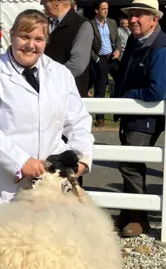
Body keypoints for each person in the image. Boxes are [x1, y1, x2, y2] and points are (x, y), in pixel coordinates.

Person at [0, 9, 94, 219]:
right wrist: (21, 161)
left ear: (46, 41)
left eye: (38, 39)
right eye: (24, 37)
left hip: (49, 184)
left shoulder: (60, 75)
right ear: (12, 35)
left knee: (47, 244)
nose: (30, 45)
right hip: (2, 184)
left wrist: (82, 157)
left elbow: (78, 120)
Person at [113, 0, 166, 237]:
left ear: (154, 19)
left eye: (140, 15)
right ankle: (128, 213)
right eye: (132, 15)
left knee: (130, 165)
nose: (133, 19)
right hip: (133, 114)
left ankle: (139, 219)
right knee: (127, 163)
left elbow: (157, 90)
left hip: (145, 117)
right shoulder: (138, 42)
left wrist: (126, 95)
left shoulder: (160, 47)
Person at [42, 0, 94, 97]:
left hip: (68, 95)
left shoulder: (82, 25)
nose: (41, 3)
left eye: (45, 1)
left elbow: (77, 65)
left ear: (57, 2)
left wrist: (45, 78)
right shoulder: (46, 22)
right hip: (47, 93)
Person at [90, 0, 121, 127]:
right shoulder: (90, 25)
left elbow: (117, 39)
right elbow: (88, 45)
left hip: (113, 57)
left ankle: (120, 113)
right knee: (100, 88)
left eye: (107, 8)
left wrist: (118, 50)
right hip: (100, 58)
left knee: (122, 82)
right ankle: (100, 118)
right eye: (103, 9)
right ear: (97, 10)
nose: (106, 11)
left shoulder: (112, 22)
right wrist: (96, 59)